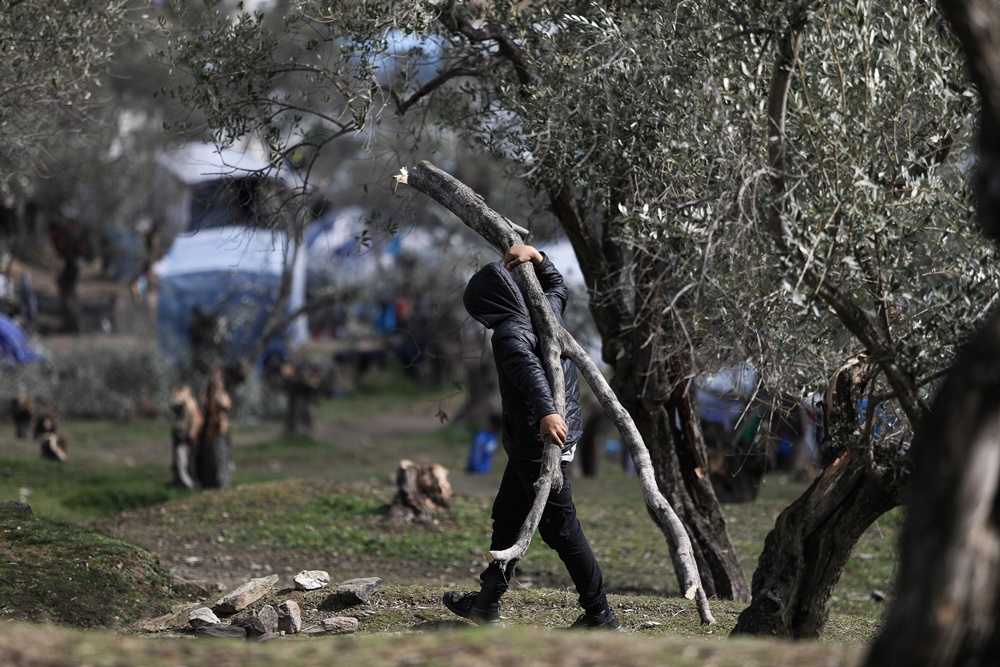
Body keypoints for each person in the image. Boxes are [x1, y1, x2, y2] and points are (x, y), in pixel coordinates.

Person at [442, 244, 621, 631]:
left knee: (562, 529)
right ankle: (486, 604)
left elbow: (529, 372)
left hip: (540, 439)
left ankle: (600, 614)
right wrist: (536, 256)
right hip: (556, 431)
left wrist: (545, 412)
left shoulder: (508, 332)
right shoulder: (545, 311)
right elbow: (556, 285)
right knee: (508, 518)